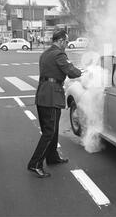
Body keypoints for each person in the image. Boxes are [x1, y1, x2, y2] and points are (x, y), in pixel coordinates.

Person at [27, 29, 82, 178]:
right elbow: (71, 71)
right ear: (60, 41)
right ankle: (35, 163)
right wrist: (81, 72)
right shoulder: (59, 54)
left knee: (52, 129)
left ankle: (52, 157)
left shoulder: (45, 53)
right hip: (52, 96)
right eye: (66, 41)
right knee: (49, 132)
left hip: (43, 94)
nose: (66, 44)